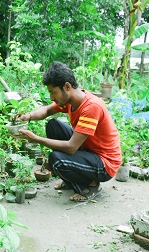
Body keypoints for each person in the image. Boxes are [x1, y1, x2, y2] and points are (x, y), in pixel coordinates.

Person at [13, 61, 122, 202]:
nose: (51, 97)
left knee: (56, 160)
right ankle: (74, 177)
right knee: (53, 125)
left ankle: (89, 186)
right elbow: (46, 110)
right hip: (89, 150)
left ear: (67, 87)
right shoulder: (71, 101)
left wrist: (36, 139)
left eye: (53, 92)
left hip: (105, 164)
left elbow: (71, 148)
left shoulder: (91, 107)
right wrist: (27, 116)